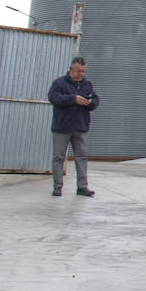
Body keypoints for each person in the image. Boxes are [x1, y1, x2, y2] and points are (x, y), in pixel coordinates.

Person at [49, 56, 98, 198]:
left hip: (81, 127)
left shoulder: (87, 84)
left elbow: (95, 101)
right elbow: (53, 98)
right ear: (71, 70)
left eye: (83, 71)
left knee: (81, 157)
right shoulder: (59, 83)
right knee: (58, 157)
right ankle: (57, 186)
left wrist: (89, 103)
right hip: (62, 127)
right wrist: (73, 99)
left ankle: (82, 187)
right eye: (78, 71)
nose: (80, 74)